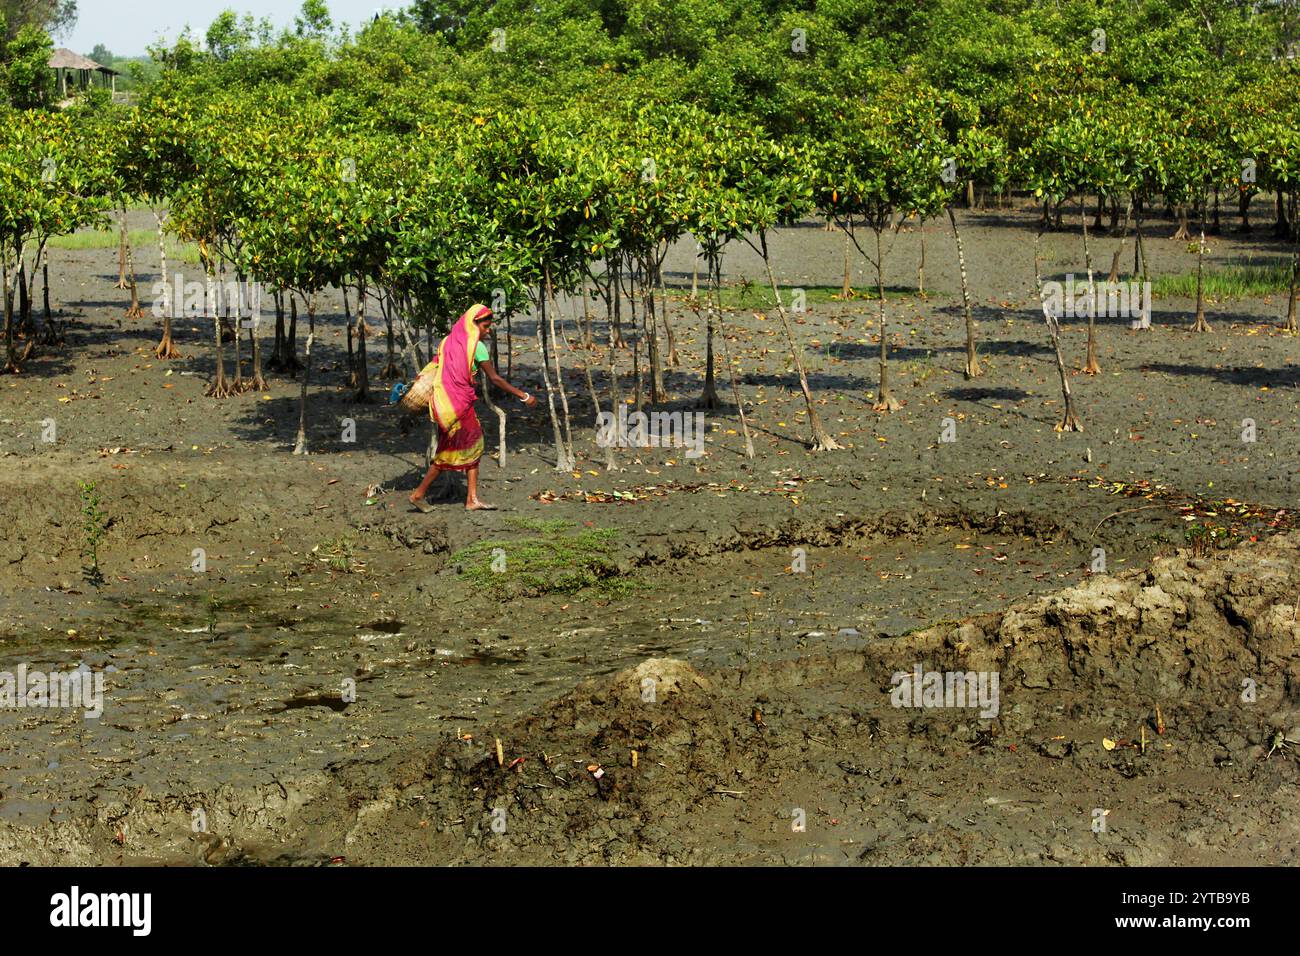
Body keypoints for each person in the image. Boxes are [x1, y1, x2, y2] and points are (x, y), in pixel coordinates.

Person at [409, 303, 537, 512]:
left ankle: (471, 499)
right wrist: (524, 395)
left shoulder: (447, 341)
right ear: (473, 324)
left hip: (446, 403)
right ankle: (418, 494)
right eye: (485, 327)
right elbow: (495, 378)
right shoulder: (476, 346)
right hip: (459, 406)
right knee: (452, 451)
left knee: (469, 447)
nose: (487, 331)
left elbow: (437, 367)